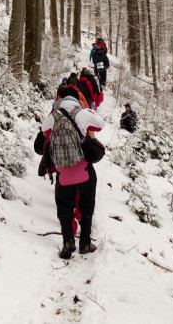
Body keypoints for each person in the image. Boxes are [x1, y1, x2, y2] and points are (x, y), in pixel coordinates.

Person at [41, 87, 105, 258]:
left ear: (61, 100)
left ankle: (68, 242)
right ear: (78, 99)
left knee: (64, 208)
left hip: (63, 173)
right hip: (83, 170)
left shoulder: (53, 116)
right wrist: (88, 110)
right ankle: (84, 243)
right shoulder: (82, 113)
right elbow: (100, 124)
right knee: (87, 207)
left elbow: (43, 129)